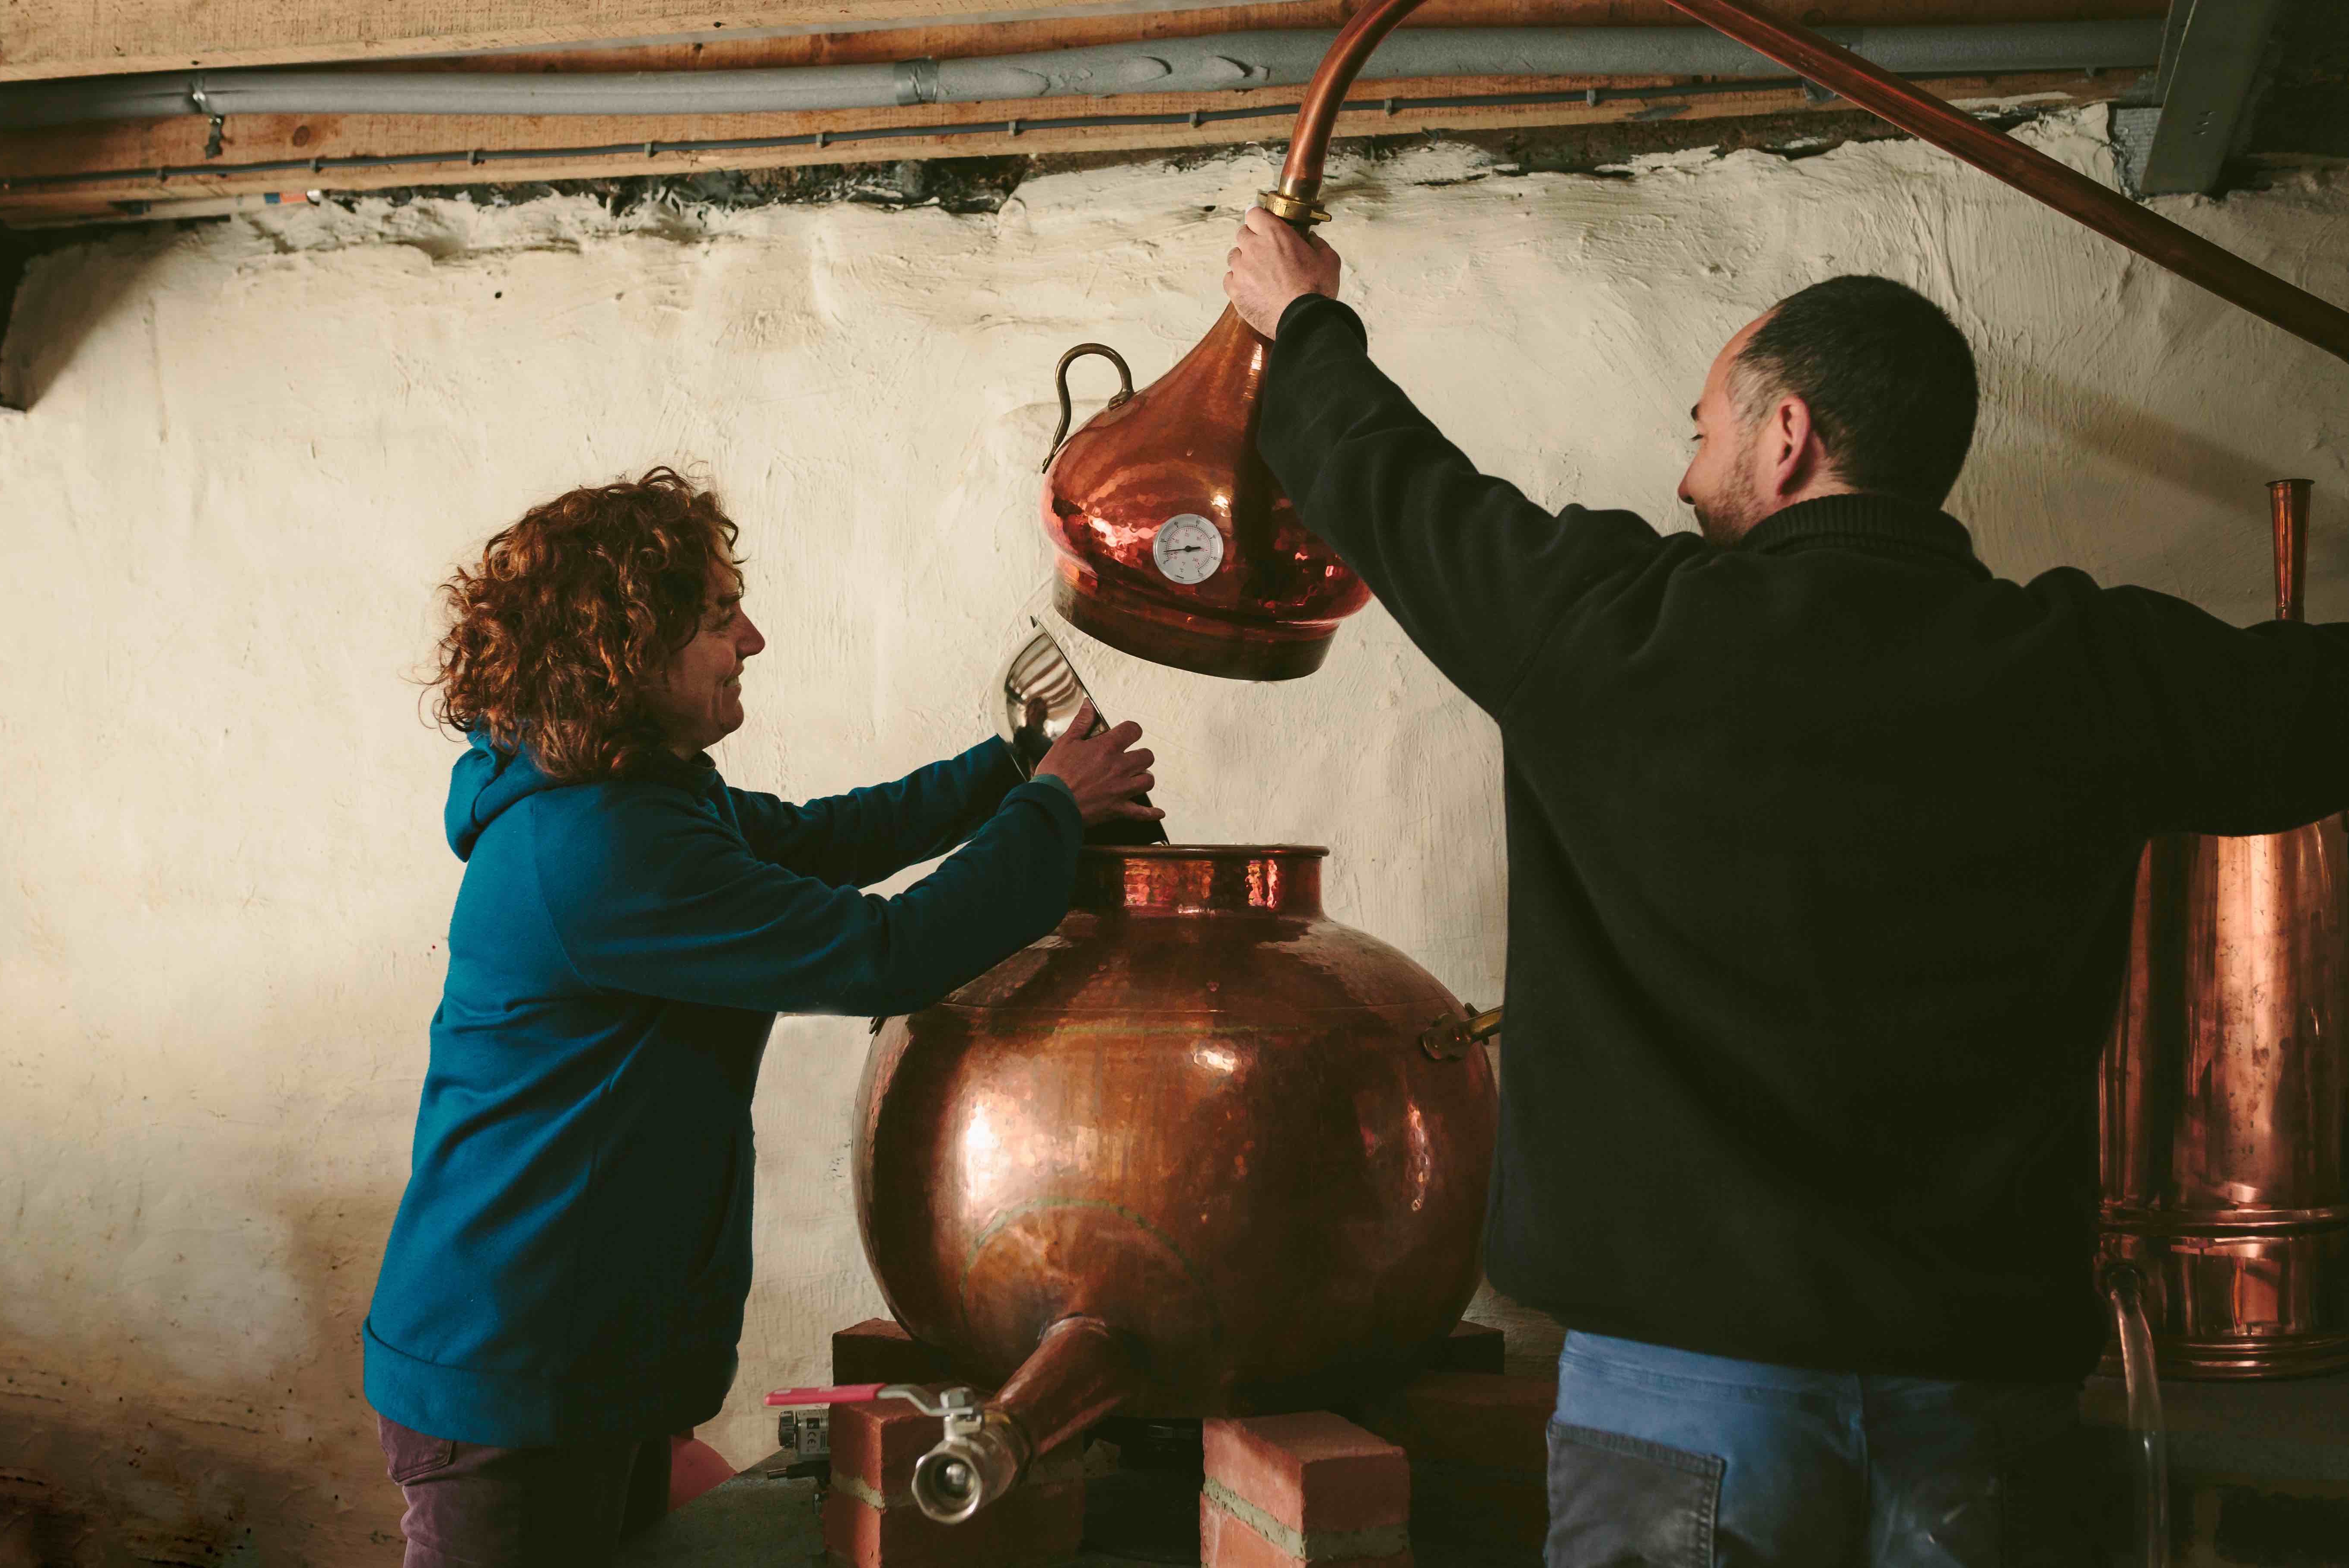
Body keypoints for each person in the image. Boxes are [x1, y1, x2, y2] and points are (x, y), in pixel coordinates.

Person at [1224, 209, 2349, 1566]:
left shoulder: (1609, 627)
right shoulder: (2090, 673)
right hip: (1983, 1411)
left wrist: (1305, 324)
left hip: (1682, 1401)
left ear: (1788, 434)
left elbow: (1393, 487)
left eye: (1703, 428)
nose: (1688, 472)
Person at [361, 468, 1160, 1567]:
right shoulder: (597, 849)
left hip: (580, 1347)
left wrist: (1012, 771)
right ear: (627, 651)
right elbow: (886, 955)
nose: (753, 638)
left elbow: (819, 839)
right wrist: (1049, 813)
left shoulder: (641, 795)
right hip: (514, 1364)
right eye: (715, 617)